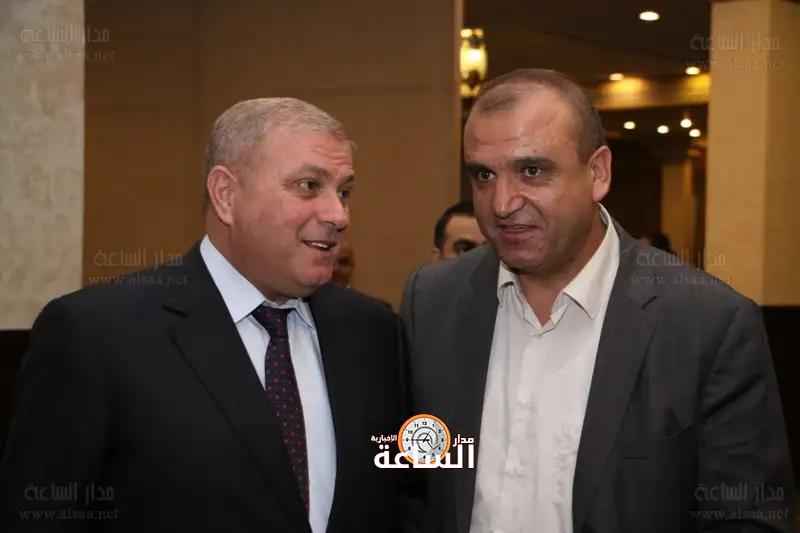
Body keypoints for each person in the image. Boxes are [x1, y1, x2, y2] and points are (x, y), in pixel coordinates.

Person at [0, 98, 423, 532]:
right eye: (309, 185)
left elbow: (407, 496)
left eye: (344, 192)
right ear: (226, 195)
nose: (338, 215)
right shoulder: (96, 335)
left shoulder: (375, 333)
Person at [400, 69, 795, 533]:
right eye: (484, 175)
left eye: (532, 171)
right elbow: (408, 479)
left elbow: (749, 519)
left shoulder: (707, 324)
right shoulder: (432, 300)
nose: (502, 203)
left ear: (598, 172)